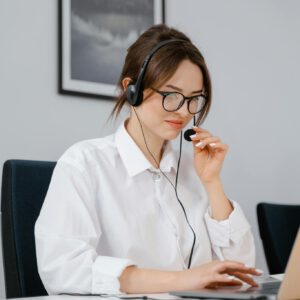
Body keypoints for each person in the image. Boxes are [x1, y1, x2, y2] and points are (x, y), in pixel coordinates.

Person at [35, 24, 260, 296]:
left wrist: (212, 182)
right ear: (133, 90)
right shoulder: (84, 164)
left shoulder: (193, 171)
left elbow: (242, 270)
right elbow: (63, 270)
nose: (183, 111)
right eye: (171, 95)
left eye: (193, 99)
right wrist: (182, 281)